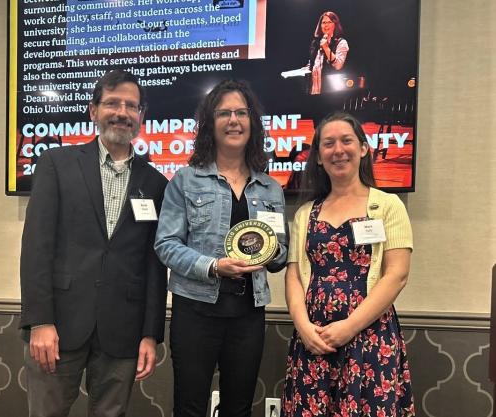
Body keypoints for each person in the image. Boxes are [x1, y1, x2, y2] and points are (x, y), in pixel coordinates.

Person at [19, 69, 168, 417]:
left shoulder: (156, 182)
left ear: (141, 117)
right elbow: (37, 247)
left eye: (132, 106)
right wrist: (40, 321)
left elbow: (154, 265)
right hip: (58, 327)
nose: (122, 112)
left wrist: (150, 334)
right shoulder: (57, 164)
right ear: (93, 110)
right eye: (112, 103)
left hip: (123, 331)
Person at [154, 79, 289, 417]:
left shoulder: (271, 187)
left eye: (241, 113)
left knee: (239, 408)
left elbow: (281, 253)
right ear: (209, 125)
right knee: (189, 407)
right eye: (224, 113)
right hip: (195, 313)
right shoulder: (185, 180)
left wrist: (271, 253)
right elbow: (166, 245)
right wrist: (214, 266)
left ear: (252, 123)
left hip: (248, 315)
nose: (234, 120)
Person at [281, 112, 415, 416]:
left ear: (364, 148)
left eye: (346, 141)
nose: (337, 150)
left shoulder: (388, 205)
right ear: (318, 157)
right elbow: (293, 276)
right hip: (314, 338)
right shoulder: (305, 213)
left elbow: (397, 275)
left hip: (368, 336)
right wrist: (303, 328)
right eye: (328, 144)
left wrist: (348, 327)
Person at [305, 11, 349, 95]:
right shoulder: (315, 43)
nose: (326, 25)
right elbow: (312, 64)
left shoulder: (341, 43)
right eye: (323, 22)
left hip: (332, 92)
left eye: (329, 22)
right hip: (313, 90)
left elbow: (338, 65)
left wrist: (326, 47)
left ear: (335, 24)